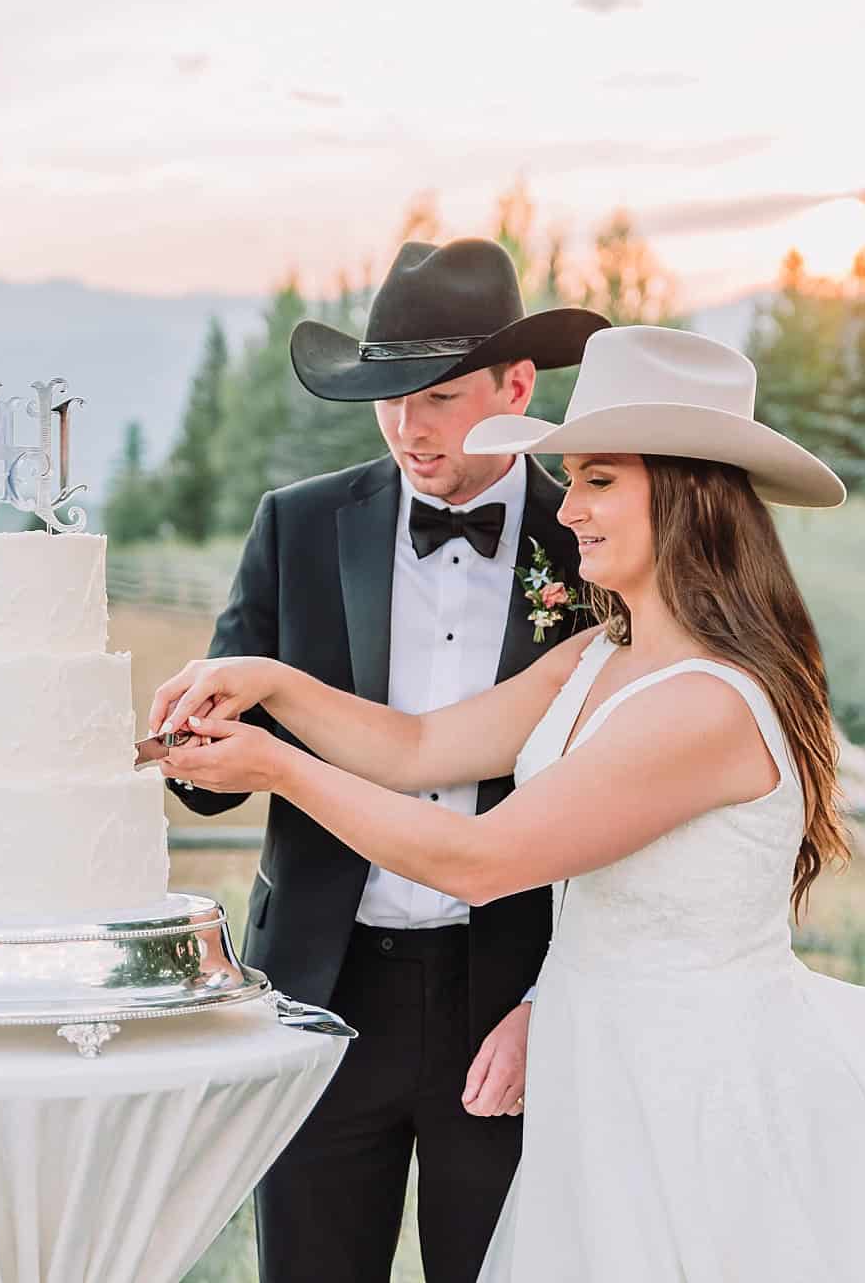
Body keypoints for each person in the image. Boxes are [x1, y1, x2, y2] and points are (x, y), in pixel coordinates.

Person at [153, 325, 865, 1281]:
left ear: (691, 489)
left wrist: (280, 770)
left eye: (599, 481)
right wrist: (268, 683)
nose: (567, 508)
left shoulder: (709, 702)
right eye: (573, 478)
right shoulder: (596, 656)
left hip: (686, 1089)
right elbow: (420, 746)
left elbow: (480, 858)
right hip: (597, 1060)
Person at [164, 236, 608, 1283]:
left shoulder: (591, 539)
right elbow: (215, 755)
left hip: (510, 992)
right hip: (324, 986)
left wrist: (554, 998)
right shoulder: (300, 525)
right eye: (386, 398)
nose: (408, 428)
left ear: (515, 386)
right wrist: (192, 743)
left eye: (440, 398)